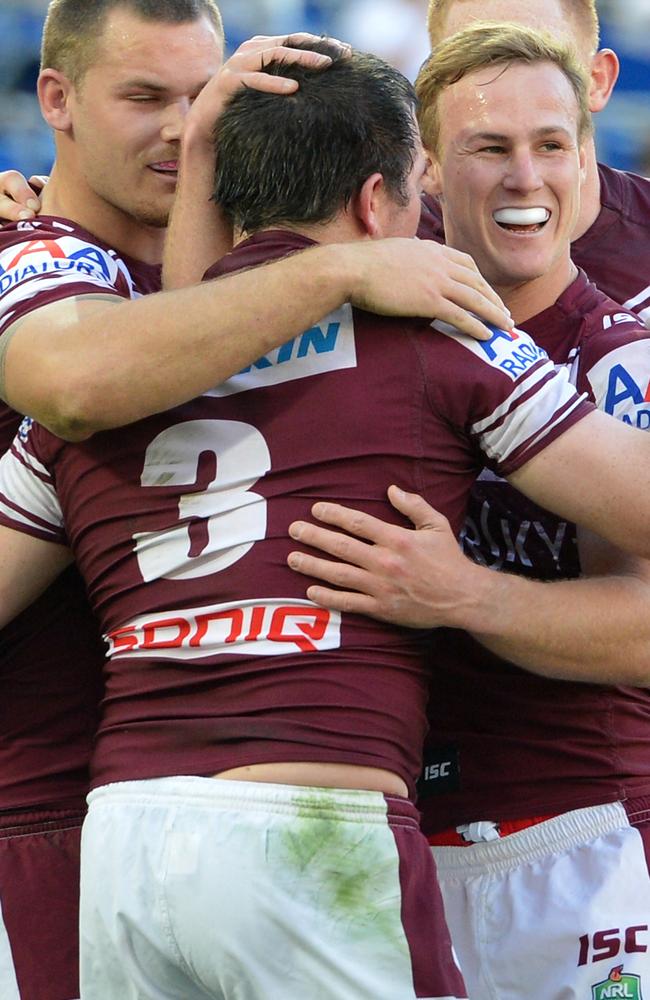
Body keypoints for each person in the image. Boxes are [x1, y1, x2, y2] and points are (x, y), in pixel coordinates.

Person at [1, 34, 647, 1000]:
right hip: (316, 825)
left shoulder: (113, 354)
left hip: (127, 837)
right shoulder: (439, 329)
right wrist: (472, 593)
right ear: (382, 198)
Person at [286, 21, 650, 1000]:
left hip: (576, 836)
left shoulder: (621, 360)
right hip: (380, 842)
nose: (522, 176)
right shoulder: (367, 328)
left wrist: (463, 595)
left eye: (549, 146)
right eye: (488, 148)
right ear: (429, 172)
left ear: (586, 163)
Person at [422, 0, 650, 324]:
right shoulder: (383, 238)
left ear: (598, 80)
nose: (510, 80)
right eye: (471, 58)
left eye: (540, 52)